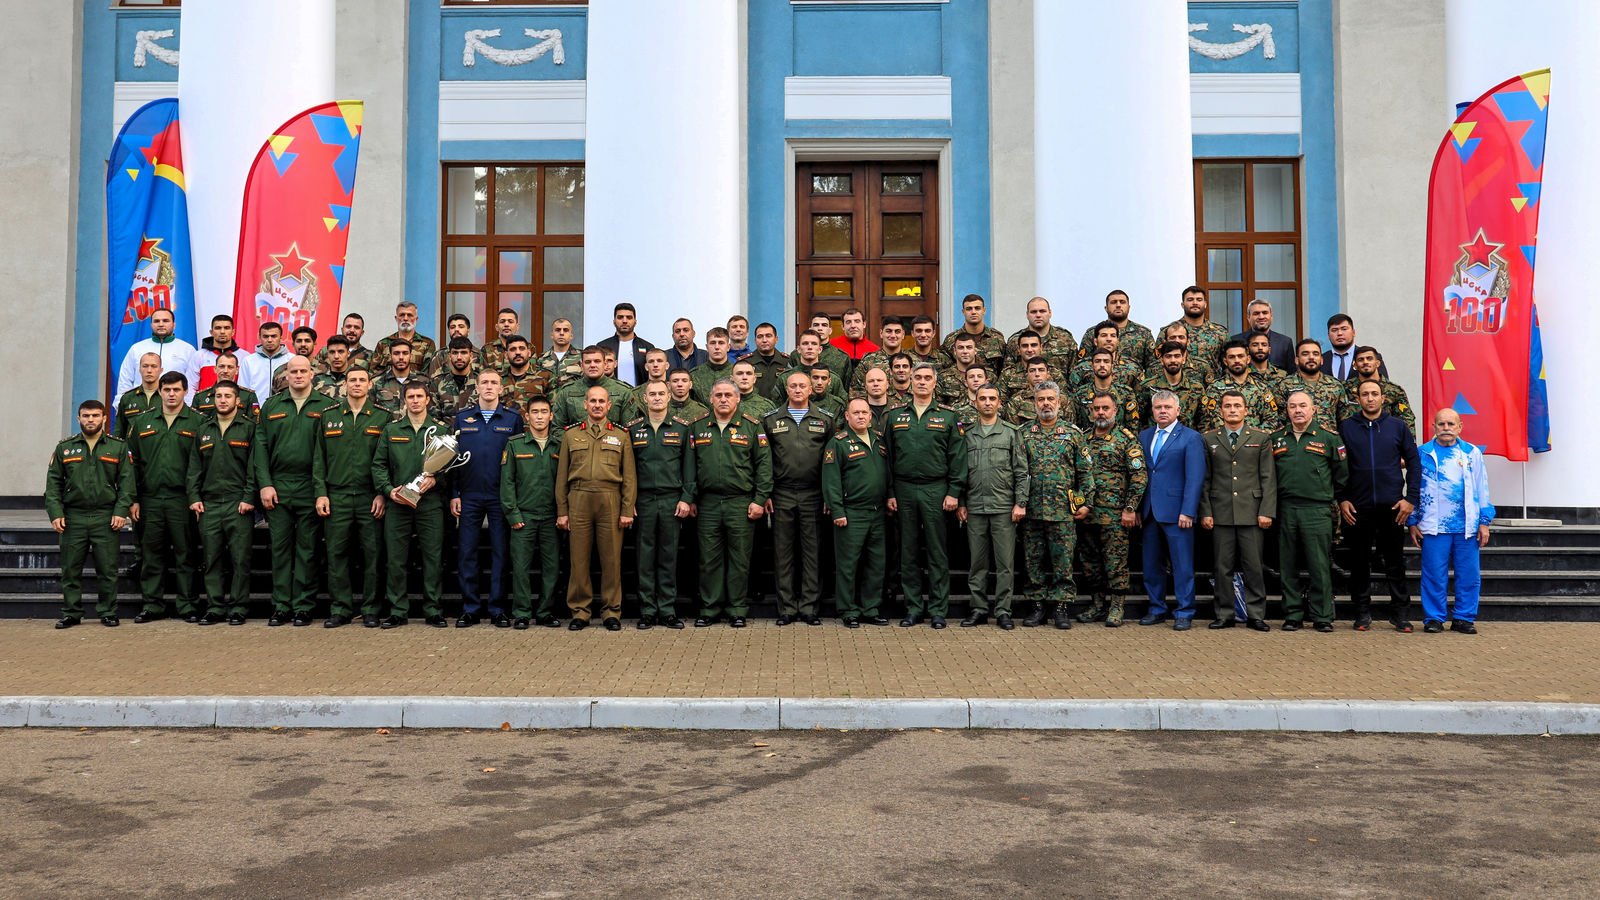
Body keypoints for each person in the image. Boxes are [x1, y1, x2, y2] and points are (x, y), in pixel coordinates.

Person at [254, 356, 337, 626]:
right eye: (293, 371)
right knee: (279, 549)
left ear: (312, 374)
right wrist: (265, 484)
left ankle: (303, 606)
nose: (298, 375)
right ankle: (281, 605)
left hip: (310, 487)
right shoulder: (271, 406)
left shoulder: (326, 407)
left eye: (303, 371)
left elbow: (327, 453)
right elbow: (261, 448)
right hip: (278, 486)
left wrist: (321, 489)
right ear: (285, 375)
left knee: (308, 549)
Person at [885, 362, 966, 628]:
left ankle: (939, 609)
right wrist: (891, 492)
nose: (921, 382)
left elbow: (957, 457)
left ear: (934, 383)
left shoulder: (948, 416)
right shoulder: (896, 416)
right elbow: (888, 458)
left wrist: (954, 491)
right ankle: (913, 608)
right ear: (910, 381)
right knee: (908, 552)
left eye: (926, 378)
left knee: (937, 552)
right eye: (917, 377)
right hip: (905, 489)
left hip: (936, 489)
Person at [1340, 379, 1421, 632]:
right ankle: (1362, 613)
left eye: (1375, 394)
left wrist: (1411, 500)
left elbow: (1415, 463)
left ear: (1383, 398)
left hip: (1393, 508)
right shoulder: (1346, 427)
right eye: (1365, 394)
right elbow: (1338, 467)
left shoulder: (1398, 427)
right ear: (1358, 398)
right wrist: (1342, 498)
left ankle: (1400, 614)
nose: (1370, 398)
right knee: (1359, 563)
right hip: (1358, 508)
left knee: (1395, 563)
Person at [690, 380, 772, 627]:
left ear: (738, 399)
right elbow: (690, 467)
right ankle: (710, 608)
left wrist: (759, 500)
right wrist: (691, 498)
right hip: (708, 503)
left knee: (739, 558)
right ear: (711, 399)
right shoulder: (698, 427)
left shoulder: (751, 427)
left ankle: (737, 609)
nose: (723, 399)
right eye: (719, 395)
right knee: (708, 558)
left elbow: (764, 467)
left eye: (728, 395)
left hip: (741, 502)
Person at [312, 365, 389, 628]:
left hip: (370, 498)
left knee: (373, 555)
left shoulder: (383, 417)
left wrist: (382, 494)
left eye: (362, 380)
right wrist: (321, 493)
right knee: (337, 554)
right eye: (352, 380)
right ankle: (340, 609)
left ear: (370, 385)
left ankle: (370, 609)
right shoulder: (329, 416)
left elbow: (388, 461)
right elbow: (319, 459)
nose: (357, 384)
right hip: (338, 496)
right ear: (345, 384)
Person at [552, 386, 636, 630]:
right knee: (578, 560)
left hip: (610, 499)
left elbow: (629, 476)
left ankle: (611, 611)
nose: (597, 405)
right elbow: (561, 477)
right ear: (585, 405)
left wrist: (627, 510)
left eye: (602, 401)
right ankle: (580, 611)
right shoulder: (571, 435)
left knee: (611, 559)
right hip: (578, 499)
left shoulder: (621, 436)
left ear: (609, 406)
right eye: (593, 401)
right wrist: (562, 511)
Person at [46, 400, 134, 628]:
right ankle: (72, 613)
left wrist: (120, 511)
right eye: (86, 416)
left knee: (108, 569)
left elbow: (127, 484)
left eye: (95, 415)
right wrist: (55, 513)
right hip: (73, 518)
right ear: (78, 419)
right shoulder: (65, 447)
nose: (90, 420)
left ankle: (108, 612)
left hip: (106, 517)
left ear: (104, 418)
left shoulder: (117, 447)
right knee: (70, 569)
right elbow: (53, 484)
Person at [1407, 408, 1494, 634]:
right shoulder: (1423, 453)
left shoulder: (1471, 453)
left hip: (1467, 527)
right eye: (1441, 424)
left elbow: (1482, 488)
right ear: (1433, 427)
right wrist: (1412, 521)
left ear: (1460, 426)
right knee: (1434, 575)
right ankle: (1434, 619)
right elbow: (1414, 489)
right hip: (1433, 527)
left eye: (1450, 424)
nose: (1446, 428)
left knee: (1469, 575)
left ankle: (1464, 618)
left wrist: (1484, 521)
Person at [126, 371, 203, 623]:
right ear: (159, 392)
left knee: (186, 554)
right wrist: (133, 499)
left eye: (176, 390)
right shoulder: (142, 422)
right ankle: (152, 605)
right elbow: (132, 463)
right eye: (167, 390)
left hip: (182, 500)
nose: (171, 394)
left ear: (185, 391)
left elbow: (203, 463)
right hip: (150, 500)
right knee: (151, 555)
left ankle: (188, 605)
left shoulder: (198, 422)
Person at [373, 382, 451, 628]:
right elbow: (378, 466)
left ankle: (433, 610)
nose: (415, 401)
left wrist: (436, 479)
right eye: (411, 397)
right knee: (396, 559)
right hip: (399, 503)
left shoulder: (440, 430)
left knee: (433, 558)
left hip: (430, 504)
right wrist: (388, 491)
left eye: (419, 396)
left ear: (428, 399)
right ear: (404, 400)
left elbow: (451, 469)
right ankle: (397, 611)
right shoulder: (392, 430)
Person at [1198, 390, 1277, 631]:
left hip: (1252, 512)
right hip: (1220, 511)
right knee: (1222, 567)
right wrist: (1206, 511)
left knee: (1253, 566)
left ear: (1246, 410)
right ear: (1220, 411)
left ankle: (1255, 614)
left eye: (1237, 406)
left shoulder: (1261, 438)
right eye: (1227, 406)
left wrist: (1266, 511)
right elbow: (1205, 479)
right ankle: (1225, 613)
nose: (1232, 410)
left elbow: (1268, 477)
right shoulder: (1209, 438)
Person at [451, 368, 523, 627]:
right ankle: (470, 609)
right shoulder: (462, 418)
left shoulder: (513, 419)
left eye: (494, 382)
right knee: (467, 553)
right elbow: (453, 459)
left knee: (500, 554)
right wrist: (454, 494)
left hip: (500, 496)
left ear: (501, 388)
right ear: (477, 388)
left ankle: (497, 609)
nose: (489, 386)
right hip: (469, 495)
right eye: (484, 382)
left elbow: (518, 460)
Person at [1272, 390, 1348, 632]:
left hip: (1316, 509)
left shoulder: (1329, 439)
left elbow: (1342, 476)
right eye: (1293, 406)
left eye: (1303, 405)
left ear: (1313, 409)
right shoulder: (1276, 439)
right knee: (1288, 565)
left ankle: (1322, 615)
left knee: (1319, 565)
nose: (1298, 410)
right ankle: (1293, 614)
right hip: (1286, 509)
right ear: (1287, 410)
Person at [763, 371, 834, 626]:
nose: (797, 389)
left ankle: (809, 608)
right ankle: (787, 609)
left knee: (812, 552)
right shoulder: (770, 421)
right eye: (793, 385)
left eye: (802, 385)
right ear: (786, 388)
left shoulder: (825, 420)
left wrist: (829, 495)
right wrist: (767, 492)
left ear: (811, 389)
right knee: (783, 553)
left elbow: (831, 462)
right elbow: (765, 460)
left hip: (813, 493)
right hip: (781, 493)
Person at [1018, 382, 1091, 628]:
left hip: (1062, 511)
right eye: (1041, 399)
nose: (1046, 403)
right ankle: (1037, 606)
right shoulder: (1024, 432)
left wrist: (1084, 503)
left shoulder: (1073, 433)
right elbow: (1016, 472)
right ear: (1034, 403)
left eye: (1051, 399)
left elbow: (1085, 472)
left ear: (1060, 402)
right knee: (1033, 562)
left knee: (1063, 563)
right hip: (1032, 510)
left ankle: (1061, 607)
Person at [959, 384, 1029, 629]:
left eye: (992, 398)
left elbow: (1022, 472)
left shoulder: (1011, 433)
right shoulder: (967, 434)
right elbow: (961, 473)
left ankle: (1003, 611)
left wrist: (1020, 503)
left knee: (1004, 565)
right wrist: (962, 503)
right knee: (977, 564)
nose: (987, 402)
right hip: (976, 508)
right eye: (983, 398)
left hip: (1003, 508)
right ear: (975, 403)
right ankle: (978, 609)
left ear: (1000, 403)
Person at [1076, 391, 1147, 627]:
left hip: (1115, 514)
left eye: (1105, 408)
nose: (1100, 413)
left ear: (1115, 411)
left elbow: (1138, 476)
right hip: (1087, 514)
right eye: (1096, 408)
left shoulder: (1127, 439)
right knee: (1090, 562)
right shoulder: (1083, 438)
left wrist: (1130, 508)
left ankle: (1117, 607)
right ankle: (1097, 605)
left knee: (1115, 562)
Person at [627, 381, 695, 629]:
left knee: (668, 557)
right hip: (643, 501)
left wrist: (687, 497)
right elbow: (628, 469)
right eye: (652, 394)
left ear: (669, 397)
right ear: (644, 399)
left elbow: (689, 465)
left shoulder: (681, 428)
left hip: (671, 500)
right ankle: (647, 611)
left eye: (661, 394)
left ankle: (667, 610)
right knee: (644, 558)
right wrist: (629, 501)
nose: (656, 398)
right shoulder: (633, 430)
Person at [1137, 389, 1206, 630]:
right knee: (1151, 566)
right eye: (1158, 408)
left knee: (1182, 565)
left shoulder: (1191, 438)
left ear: (1178, 410)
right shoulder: (1144, 437)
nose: (1163, 411)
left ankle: (1184, 611)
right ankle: (1156, 609)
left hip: (1178, 513)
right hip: (1150, 512)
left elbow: (1195, 478)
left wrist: (1188, 510)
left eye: (1167, 407)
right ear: (1152, 411)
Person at [821, 398, 892, 628]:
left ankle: (870, 608)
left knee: (876, 563)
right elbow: (831, 480)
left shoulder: (879, 440)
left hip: (878, 513)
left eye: (865, 412)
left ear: (871, 416)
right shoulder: (838, 443)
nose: (861, 416)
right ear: (847, 416)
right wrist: (837, 510)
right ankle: (849, 610)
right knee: (848, 564)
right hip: (851, 513)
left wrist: (890, 495)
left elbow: (887, 473)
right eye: (856, 412)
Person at [194, 381, 256, 625]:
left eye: (227, 396)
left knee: (240, 559)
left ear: (237, 401)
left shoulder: (249, 428)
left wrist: (249, 497)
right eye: (218, 396)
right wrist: (194, 498)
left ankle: (239, 607)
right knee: (212, 559)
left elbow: (254, 466)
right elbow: (194, 468)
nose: (222, 400)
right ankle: (215, 607)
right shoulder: (203, 429)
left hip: (238, 504)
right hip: (209, 504)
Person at [501, 396, 566, 629]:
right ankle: (521, 613)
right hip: (524, 516)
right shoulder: (515, 444)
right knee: (521, 567)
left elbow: (566, 481)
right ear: (526, 416)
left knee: (551, 568)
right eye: (535, 412)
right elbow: (507, 482)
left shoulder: (560, 444)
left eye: (544, 412)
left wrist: (563, 512)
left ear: (551, 416)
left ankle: (545, 612)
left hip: (551, 516)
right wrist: (513, 514)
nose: (539, 416)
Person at [1199, 341, 1280, 432]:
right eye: (1232, 357)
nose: (1237, 360)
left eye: (1240, 356)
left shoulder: (1261, 388)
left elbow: (1271, 419)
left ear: (1248, 359)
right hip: (1223, 441)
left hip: (1254, 442)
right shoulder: (1215, 388)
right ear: (1225, 361)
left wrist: (1256, 436)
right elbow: (1207, 421)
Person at [116, 307, 197, 396]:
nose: (161, 324)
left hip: (175, 406)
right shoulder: (137, 348)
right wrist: (122, 403)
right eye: (156, 321)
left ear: (174, 325)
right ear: (151, 325)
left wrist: (187, 406)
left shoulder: (187, 350)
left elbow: (192, 383)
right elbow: (125, 379)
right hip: (141, 405)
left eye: (165, 321)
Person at [552, 346, 630, 430]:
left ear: (605, 364)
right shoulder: (567, 392)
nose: (592, 365)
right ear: (581, 365)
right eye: (588, 362)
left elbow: (629, 430)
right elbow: (557, 429)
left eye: (597, 361)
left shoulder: (623, 391)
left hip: (612, 441)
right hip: (576, 442)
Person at [1079, 289, 1156, 374]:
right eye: (1113, 302)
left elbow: (1153, 366)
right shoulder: (1092, 333)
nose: (1118, 305)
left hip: (1134, 382)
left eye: (1122, 302)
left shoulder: (1143, 334)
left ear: (1129, 307)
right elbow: (1082, 366)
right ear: (1106, 308)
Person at [1342, 346, 1415, 432]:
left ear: (1377, 363)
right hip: (1354, 438)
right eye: (1361, 360)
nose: (1365, 362)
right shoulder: (1345, 388)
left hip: (1385, 438)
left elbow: (1407, 420)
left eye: (1369, 358)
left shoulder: (1395, 390)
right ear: (1355, 365)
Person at [1282, 338, 1347, 433]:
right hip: (1297, 442)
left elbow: (1344, 419)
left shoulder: (1335, 385)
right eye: (1305, 354)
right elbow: (1280, 419)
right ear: (1296, 360)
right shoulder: (1285, 385)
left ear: (1321, 360)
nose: (1311, 357)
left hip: (1327, 442)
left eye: (1315, 354)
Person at [1005, 296, 1077, 381]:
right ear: (1027, 314)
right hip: (1023, 389)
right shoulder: (1015, 340)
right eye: (1033, 312)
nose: (1038, 315)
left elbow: (1074, 371)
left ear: (1050, 313)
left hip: (1058, 389)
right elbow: (1007, 372)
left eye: (1042, 311)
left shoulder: (1065, 338)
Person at [1166, 285, 1229, 380]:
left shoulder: (1220, 332)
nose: (1195, 303)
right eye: (1190, 300)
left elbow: (1228, 362)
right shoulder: (1169, 331)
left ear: (1205, 304)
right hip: (1179, 387)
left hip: (1212, 388)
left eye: (1199, 300)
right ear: (1182, 304)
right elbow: (1159, 362)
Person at [1139, 341, 1206, 429]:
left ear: (1183, 359)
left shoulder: (1196, 388)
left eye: (1177, 356)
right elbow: (1139, 419)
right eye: (1168, 356)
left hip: (1187, 440)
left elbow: (1204, 420)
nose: (1173, 360)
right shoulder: (1148, 387)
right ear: (1162, 361)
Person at [1073, 348, 1140, 433]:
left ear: (1112, 366)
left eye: (1106, 361)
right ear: (1092, 366)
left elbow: (1133, 426)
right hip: (1089, 443)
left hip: (1119, 443)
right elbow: (1076, 427)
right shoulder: (1081, 394)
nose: (1102, 365)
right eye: (1097, 361)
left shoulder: (1125, 393)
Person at [942, 293, 1007, 373]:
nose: (973, 312)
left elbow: (1004, 367)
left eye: (977, 308)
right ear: (963, 312)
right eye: (969, 309)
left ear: (984, 311)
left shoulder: (997, 338)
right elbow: (945, 368)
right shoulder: (951, 339)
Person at [371, 301, 437, 378]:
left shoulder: (427, 344)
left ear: (416, 319)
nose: (405, 318)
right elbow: (374, 373)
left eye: (409, 315)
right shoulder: (383, 343)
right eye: (402, 315)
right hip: (388, 388)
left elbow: (428, 374)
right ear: (396, 318)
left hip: (416, 388)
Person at [184, 314, 241, 401]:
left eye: (226, 328)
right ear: (211, 332)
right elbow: (190, 386)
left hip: (234, 408)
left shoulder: (244, 356)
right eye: (218, 328)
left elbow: (246, 386)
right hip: (204, 407)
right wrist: (193, 408)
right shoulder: (199, 355)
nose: (222, 331)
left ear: (233, 332)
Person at [599, 302, 658, 386]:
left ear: (635, 322)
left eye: (629, 317)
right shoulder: (602, 346)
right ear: (614, 321)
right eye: (620, 317)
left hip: (639, 396)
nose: (624, 321)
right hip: (610, 396)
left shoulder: (647, 347)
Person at [497, 335, 553, 417]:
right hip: (504, 428)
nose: (518, 352)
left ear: (529, 353)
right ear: (506, 355)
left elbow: (555, 408)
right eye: (513, 349)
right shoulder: (498, 379)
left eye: (522, 348)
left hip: (534, 429)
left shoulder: (546, 376)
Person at [1231, 298, 1295, 370]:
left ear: (1271, 316)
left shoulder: (1285, 342)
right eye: (1256, 313)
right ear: (1248, 317)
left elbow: (1291, 372)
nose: (1261, 317)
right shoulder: (1235, 341)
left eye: (1265, 313)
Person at [1322, 313, 1387, 381]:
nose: (1339, 333)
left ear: (1353, 332)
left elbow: (1384, 385)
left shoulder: (1370, 357)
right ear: (1328, 335)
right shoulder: (1322, 360)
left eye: (1344, 329)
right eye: (1334, 330)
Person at [429, 336, 481, 422]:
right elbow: (433, 417)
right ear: (449, 356)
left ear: (471, 355)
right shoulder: (437, 383)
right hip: (445, 433)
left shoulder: (480, 382)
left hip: (474, 433)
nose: (459, 357)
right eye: (455, 353)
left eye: (463, 353)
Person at [372, 339, 432, 411]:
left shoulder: (424, 381)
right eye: (396, 353)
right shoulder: (376, 382)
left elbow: (432, 410)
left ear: (411, 356)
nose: (401, 357)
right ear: (390, 356)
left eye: (405, 353)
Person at [115, 352, 164, 439]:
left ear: (161, 370)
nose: (149, 370)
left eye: (154, 366)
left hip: (160, 449)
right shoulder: (127, 398)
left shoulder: (167, 396)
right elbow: (119, 432)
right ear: (139, 369)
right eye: (145, 366)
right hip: (133, 450)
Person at [850, 317, 907, 390]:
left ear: (903, 334)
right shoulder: (868, 361)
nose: (893, 335)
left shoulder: (914, 361)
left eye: (897, 331)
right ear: (881, 333)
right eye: (888, 331)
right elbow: (855, 390)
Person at [242, 321, 291, 398]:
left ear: (281, 338)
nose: (269, 340)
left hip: (283, 408)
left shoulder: (292, 360)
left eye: (274, 336)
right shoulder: (248, 361)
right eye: (265, 336)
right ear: (259, 337)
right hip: (256, 408)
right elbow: (243, 390)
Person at [536, 317, 585, 391]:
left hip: (573, 401)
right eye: (557, 330)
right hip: (549, 401)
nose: (561, 333)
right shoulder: (541, 359)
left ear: (571, 336)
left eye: (565, 330)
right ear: (551, 335)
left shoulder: (582, 356)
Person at [690, 327, 737, 403]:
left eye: (721, 343)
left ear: (728, 347)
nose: (717, 347)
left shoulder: (737, 373)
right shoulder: (694, 375)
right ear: (707, 347)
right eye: (712, 343)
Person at [426, 313, 475, 378]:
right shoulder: (439, 355)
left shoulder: (479, 354)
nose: (456, 329)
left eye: (461, 326)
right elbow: (433, 381)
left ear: (468, 331)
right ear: (449, 331)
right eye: (453, 327)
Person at [308, 337, 357, 403]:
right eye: (332, 352)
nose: (336, 356)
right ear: (327, 354)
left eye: (341, 352)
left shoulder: (358, 379)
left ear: (348, 353)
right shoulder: (315, 380)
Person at [478, 308, 521, 375]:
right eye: (502, 321)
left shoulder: (527, 348)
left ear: (517, 326)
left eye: (510, 321)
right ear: (497, 327)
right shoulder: (487, 349)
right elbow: (483, 376)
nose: (506, 324)